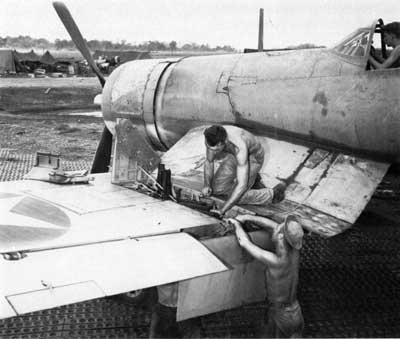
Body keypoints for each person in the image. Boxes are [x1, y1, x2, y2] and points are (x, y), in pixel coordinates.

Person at [229, 214, 304, 338]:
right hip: (295, 310)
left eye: (279, 229)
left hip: (279, 313)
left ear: (281, 236)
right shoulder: (295, 248)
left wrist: (236, 223)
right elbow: (273, 226)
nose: (275, 228)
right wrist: (247, 217)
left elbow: (244, 242)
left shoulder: (277, 261)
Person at [201, 125, 286, 218]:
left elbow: (241, 186)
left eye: (216, 149)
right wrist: (207, 185)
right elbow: (209, 162)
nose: (212, 152)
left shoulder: (240, 147)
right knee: (216, 190)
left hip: (253, 159)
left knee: (235, 196)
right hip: (233, 156)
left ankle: (273, 194)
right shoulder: (213, 136)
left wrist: (223, 210)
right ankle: (253, 179)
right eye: (209, 148)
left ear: (224, 142)